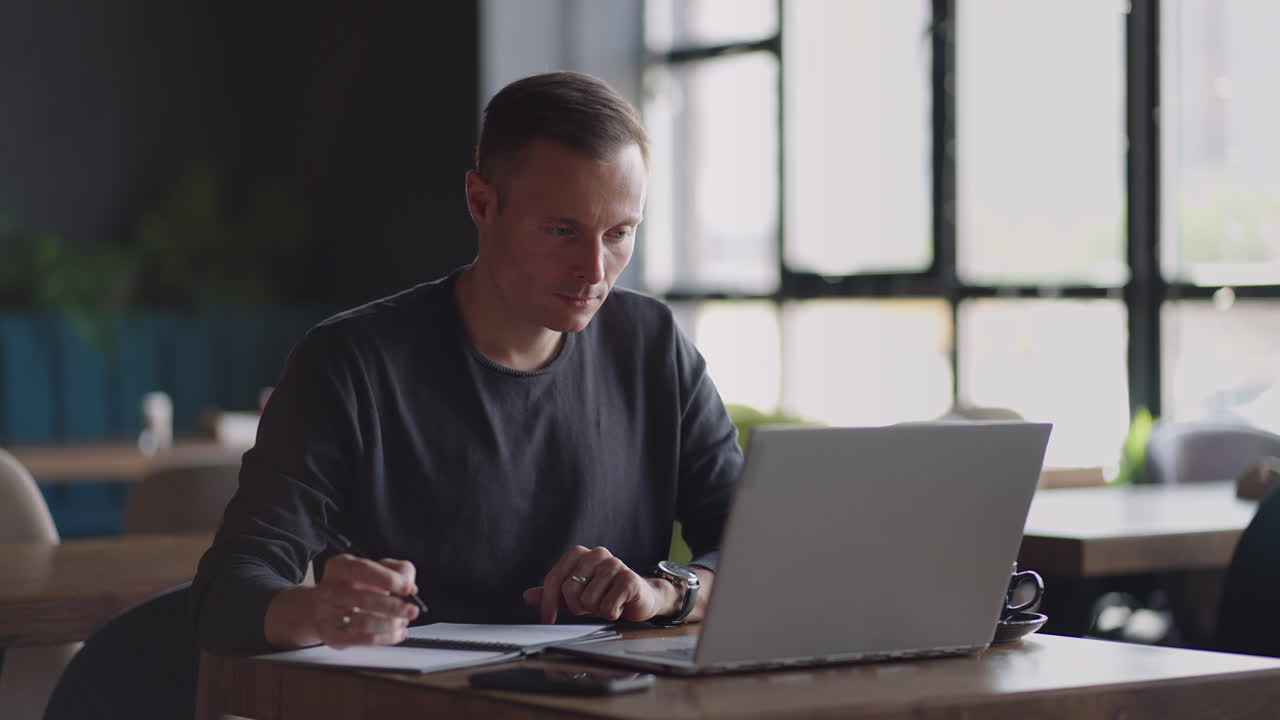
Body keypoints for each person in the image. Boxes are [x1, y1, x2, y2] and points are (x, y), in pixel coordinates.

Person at [191, 71, 744, 652]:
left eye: (619, 233)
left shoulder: (653, 345)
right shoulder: (351, 364)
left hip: (617, 693)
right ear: (482, 203)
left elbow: (754, 552)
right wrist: (320, 611)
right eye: (562, 230)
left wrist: (666, 593)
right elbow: (225, 595)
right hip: (417, 696)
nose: (594, 270)